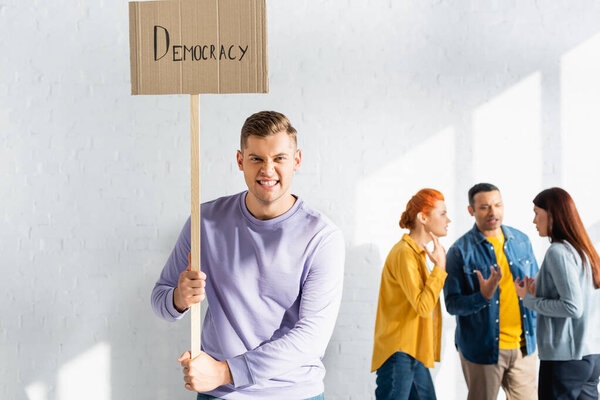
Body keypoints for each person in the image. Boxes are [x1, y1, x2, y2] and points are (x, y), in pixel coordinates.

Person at [151, 111, 345, 400]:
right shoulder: (204, 221)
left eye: (279, 158)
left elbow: (311, 339)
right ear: (241, 160)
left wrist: (223, 372)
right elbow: (160, 301)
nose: (268, 170)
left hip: (293, 394)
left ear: (297, 160)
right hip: (221, 395)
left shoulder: (321, 237)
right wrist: (180, 298)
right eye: (256, 158)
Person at [443, 183, 539, 400]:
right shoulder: (459, 251)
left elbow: (536, 286)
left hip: (524, 347)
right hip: (482, 350)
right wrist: (483, 297)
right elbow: (452, 304)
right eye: (485, 207)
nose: (493, 212)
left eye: (498, 205)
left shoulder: (521, 241)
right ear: (471, 210)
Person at [514, 187, 600, 400]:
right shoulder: (584, 251)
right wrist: (541, 290)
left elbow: (572, 307)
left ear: (552, 215)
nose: (534, 221)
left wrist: (529, 299)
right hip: (591, 356)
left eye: (537, 213)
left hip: (565, 360)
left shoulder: (558, 251)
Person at [371, 188, 451, 400]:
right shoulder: (404, 254)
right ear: (423, 217)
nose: (448, 219)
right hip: (399, 352)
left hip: (413, 349)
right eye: (442, 213)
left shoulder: (417, 255)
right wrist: (440, 268)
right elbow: (422, 306)